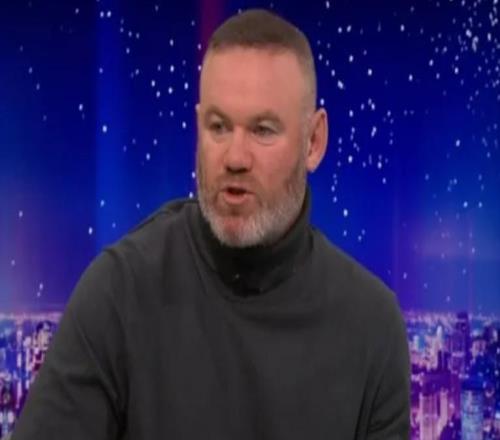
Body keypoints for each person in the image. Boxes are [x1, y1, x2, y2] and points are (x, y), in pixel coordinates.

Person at [12, 8, 410, 440]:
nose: (235, 158)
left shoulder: (372, 325)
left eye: (262, 130)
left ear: (314, 141)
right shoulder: (120, 291)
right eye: (219, 127)